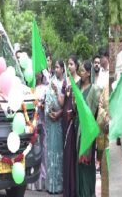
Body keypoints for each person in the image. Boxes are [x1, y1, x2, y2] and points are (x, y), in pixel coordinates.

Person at [76, 60, 101, 197]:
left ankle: (88, 192)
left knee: (87, 161)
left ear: (88, 73)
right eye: (80, 71)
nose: (81, 73)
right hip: (78, 128)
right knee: (79, 162)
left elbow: (97, 111)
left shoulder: (94, 90)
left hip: (88, 130)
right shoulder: (79, 89)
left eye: (83, 71)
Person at [45, 60, 65, 194]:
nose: (56, 70)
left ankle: (58, 185)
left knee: (59, 152)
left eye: (58, 67)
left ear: (63, 69)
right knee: (50, 152)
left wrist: (59, 113)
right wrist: (49, 111)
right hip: (51, 122)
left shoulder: (65, 83)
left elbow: (65, 104)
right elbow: (47, 99)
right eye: (55, 67)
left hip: (60, 123)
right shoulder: (50, 83)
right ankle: (50, 185)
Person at [61, 55, 80, 197]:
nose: (69, 66)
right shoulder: (66, 81)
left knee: (73, 152)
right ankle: (66, 189)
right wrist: (58, 92)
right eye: (68, 64)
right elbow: (62, 102)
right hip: (64, 119)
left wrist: (74, 113)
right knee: (66, 153)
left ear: (77, 66)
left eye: (72, 64)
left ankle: (74, 189)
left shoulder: (79, 81)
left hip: (74, 120)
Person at [28, 73, 48, 191]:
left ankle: (43, 179)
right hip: (32, 123)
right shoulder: (30, 88)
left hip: (42, 124)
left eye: (39, 72)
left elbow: (48, 105)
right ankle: (32, 180)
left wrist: (42, 105)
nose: (37, 74)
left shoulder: (46, 88)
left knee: (43, 149)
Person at [96, 84, 110, 197]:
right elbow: (100, 106)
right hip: (106, 138)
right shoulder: (105, 89)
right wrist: (106, 118)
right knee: (105, 173)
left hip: (117, 138)